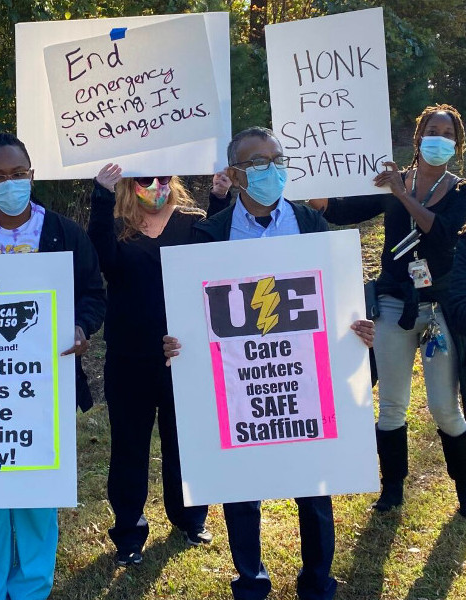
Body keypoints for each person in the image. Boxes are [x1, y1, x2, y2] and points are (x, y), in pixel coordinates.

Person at [163, 126, 375, 600]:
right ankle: (250, 578)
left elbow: (339, 294)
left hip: (303, 380)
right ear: (235, 175)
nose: (272, 170)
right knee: (242, 484)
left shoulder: (309, 223)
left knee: (314, 486)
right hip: (240, 380)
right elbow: (194, 311)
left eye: (278, 159)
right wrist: (181, 344)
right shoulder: (210, 233)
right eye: (259, 163)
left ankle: (318, 580)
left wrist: (358, 327)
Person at [0, 132, 104, 599]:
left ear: (32, 174)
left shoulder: (65, 232)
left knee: (34, 490)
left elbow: (93, 293)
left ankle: (31, 586)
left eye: (17, 174)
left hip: (42, 386)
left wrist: (80, 328)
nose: (9, 183)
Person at [309, 104, 466, 515]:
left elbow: (440, 231)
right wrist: (322, 201)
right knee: (392, 404)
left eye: (447, 133)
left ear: (457, 143)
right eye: (432, 130)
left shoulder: (460, 190)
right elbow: (346, 211)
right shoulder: (392, 181)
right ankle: (392, 487)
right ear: (417, 138)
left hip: (437, 312)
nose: (439, 138)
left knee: (445, 409)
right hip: (394, 306)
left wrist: (400, 193)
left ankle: (464, 489)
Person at [87, 165, 231, 566]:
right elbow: (101, 258)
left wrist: (221, 198)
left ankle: (190, 518)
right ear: (130, 186)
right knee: (129, 446)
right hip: (127, 355)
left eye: (164, 178)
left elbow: (217, 264)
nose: (156, 186)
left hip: (183, 354)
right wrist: (100, 195)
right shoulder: (117, 226)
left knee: (182, 441)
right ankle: (128, 531)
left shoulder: (194, 222)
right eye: (145, 180)